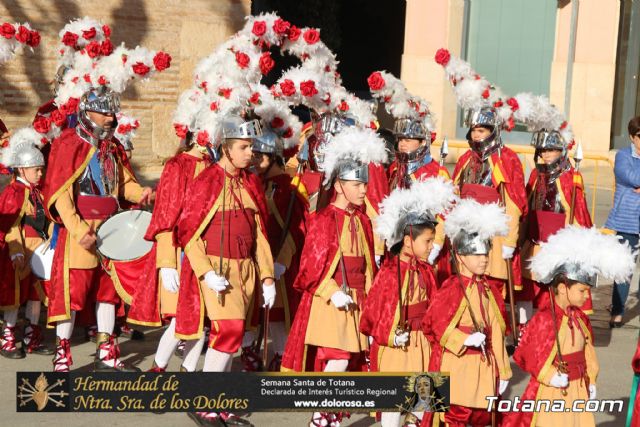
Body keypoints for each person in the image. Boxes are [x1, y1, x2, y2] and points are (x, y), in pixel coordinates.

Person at [42, 27, 169, 371]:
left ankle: (107, 349)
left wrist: (140, 192)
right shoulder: (68, 143)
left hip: (112, 227)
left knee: (107, 292)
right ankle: (63, 351)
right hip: (80, 229)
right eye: (105, 112)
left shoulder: (112, 148)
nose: (112, 118)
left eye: (113, 112)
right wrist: (77, 227)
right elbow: (60, 194)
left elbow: (122, 185)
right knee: (73, 291)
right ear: (88, 113)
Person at [281, 126, 386, 427]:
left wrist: (372, 302)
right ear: (339, 185)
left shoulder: (363, 220)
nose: (364, 190)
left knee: (350, 361)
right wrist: (332, 292)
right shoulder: (324, 219)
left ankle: (330, 416)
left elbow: (367, 268)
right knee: (337, 358)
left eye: (365, 184)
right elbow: (309, 269)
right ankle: (319, 417)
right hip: (331, 300)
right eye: (357, 183)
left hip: (357, 300)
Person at [176, 114, 274, 427]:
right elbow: (188, 234)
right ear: (227, 149)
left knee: (234, 336)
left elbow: (259, 233)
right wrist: (205, 272)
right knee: (228, 331)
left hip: (246, 269)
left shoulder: (251, 182)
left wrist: (268, 276)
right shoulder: (205, 181)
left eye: (252, 147)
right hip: (218, 270)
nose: (251, 153)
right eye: (244, 147)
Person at [503, 226, 635, 427]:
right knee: (444, 408)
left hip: (576, 388)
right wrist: (547, 375)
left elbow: (588, 353)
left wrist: (591, 379)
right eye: (582, 290)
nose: (586, 296)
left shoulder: (580, 318)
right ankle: (436, 409)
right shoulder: (546, 319)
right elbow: (527, 352)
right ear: (563, 288)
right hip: (552, 390)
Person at [360, 177, 456, 427]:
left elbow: (435, 307)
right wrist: (391, 336)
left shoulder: (426, 270)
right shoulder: (390, 273)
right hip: (398, 345)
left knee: (423, 399)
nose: (431, 246)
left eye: (432, 240)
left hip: (422, 342)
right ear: (407, 240)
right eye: (427, 241)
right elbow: (372, 313)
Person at [422, 198, 512, 427]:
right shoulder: (451, 288)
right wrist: (464, 339)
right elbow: (433, 326)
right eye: (477, 255)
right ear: (461, 257)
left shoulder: (491, 290)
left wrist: (504, 370)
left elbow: (498, 335)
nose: (484, 260)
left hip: (486, 369)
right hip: (457, 368)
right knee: (454, 419)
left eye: (486, 254)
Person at [127, 131, 210, 373]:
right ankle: (158, 371)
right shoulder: (177, 166)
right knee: (183, 317)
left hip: (208, 253)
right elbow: (165, 215)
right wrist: (166, 262)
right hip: (181, 252)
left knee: (202, 320)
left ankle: (188, 374)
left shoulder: (214, 166)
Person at [250, 122, 307, 371]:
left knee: (279, 313)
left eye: (259, 156)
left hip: (279, 260)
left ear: (272, 157)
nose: (254, 161)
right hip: (258, 257)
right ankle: (251, 351)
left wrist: (281, 262)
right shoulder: (255, 183)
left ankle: (283, 356)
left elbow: (297, 229)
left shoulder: (289, 186)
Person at [522, 128, 593, 319]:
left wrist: (574, 246)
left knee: (554, 295)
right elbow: (526, 209)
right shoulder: (536, 175)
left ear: (561, 150)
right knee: (530, 293)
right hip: (535, 243)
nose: (546, 154)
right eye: (542, 150)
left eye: (550, 149)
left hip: (558, 246)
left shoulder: (571, 177)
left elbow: (579, 215)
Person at [0, 129, 53, 358]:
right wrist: (15, 252)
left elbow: (49, 220)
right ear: (22, 169)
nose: (40, 174)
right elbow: (9, 226)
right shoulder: (13, 192)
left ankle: (32, 337)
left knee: (35, 296)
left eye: (41, 169)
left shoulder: (40, 193)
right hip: (19, 251)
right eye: (36, 170)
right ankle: (8, 339)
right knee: (13, 298)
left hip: (40, 251)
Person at [605, 116, 640, 327]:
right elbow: (632, 177)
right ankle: (617, 311)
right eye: (639, 136)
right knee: (624, 269)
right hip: (627, 220)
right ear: (631, 136)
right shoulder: (623, 156)